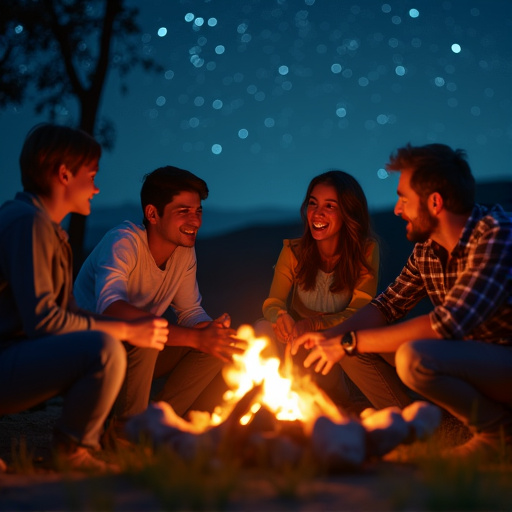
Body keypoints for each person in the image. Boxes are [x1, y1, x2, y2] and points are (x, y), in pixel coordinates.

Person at [292, 143, 512, 461]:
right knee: (369, 344)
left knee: (413, 356)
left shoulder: (497, 234)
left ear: (434, 203)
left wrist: (349, 342)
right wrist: (332, 336)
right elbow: (387, 305)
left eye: (404, 198)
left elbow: (446, 324)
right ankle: (436, 424)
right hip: (480, 362)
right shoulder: (428, 249)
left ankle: (497, 434)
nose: (397, 209)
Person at [0, 123, 169, 471]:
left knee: (109, 339)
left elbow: (68, 311)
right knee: (103, 350)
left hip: (13, 356)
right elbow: (46, 321)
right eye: (90, 175)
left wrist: (135, 325)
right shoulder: (27, 224)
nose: (96, 187)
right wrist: (124, 331)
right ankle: (73, 450)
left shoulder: (46, 229)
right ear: (64, 174)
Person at [74, 165, 245, 434]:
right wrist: (193, 337)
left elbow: (190, 311)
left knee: (216, 347)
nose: (196, 221)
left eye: (198, 211)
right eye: (184, 211)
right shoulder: (123, 242)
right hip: (92, 354)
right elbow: (111, 307)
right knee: (147, 337)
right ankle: (124, 435)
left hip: (137, 351)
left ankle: (157, 425)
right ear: (152, 213)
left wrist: (211, 331)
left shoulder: (183, 251)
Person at [256, 170, 379, 410]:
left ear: (348, 212)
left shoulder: (365, 251)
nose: (317, 213)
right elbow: (273, 301)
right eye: (313, 203)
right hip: (297, 340)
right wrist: (281, 317)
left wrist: (315, 325)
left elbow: (360, 310)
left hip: (334, 340)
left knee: (329, 394)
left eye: (329, 206)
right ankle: (269, 401)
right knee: (262, 327)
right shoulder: (294, 251)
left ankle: (333, 396)